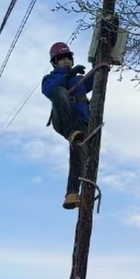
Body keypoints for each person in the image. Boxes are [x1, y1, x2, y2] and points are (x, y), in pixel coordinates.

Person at [42, 42, 94, 210]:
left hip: (83, 123)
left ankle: (72, 193)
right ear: (55, 62)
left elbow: (95, 79)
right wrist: (68, 74)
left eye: (68, 58)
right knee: (59, 91)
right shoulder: (50, 79)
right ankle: (71, 132)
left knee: (79, 149)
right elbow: (49, 90)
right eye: (61, 58)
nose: (66, 61)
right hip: (64, 121)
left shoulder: (79, 80)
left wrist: (99, 62)